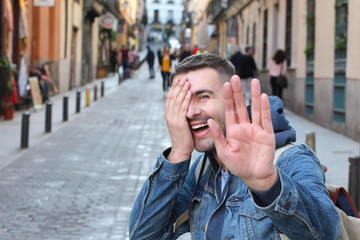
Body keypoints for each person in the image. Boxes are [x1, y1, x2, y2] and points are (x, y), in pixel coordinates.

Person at [129, 53, 340, 239]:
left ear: (233, 98)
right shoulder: (202, 171)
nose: (191, 112)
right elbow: (144, 235)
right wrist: (178, 153)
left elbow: (328, 233)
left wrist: (267, 183)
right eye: (182, 101)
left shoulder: (292, 159)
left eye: (203, 97)